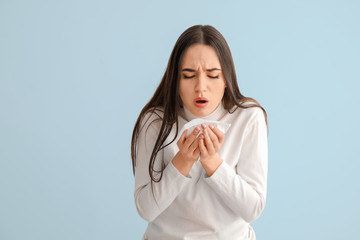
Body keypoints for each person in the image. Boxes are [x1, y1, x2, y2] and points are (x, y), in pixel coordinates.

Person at [131, 24, 268, 240]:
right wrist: (183, 161)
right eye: (188, 75)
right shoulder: (155, 122)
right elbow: (145, 209)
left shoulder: (249, 118)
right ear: (175, 81)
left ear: (226, 80)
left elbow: (253, 208)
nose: (200, 87)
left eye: (213, 76)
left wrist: (212, 162)